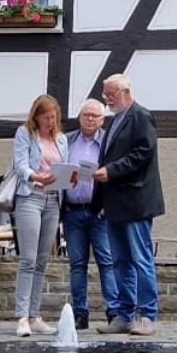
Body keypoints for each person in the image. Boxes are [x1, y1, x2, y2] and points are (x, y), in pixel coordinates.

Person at [94, 74, 165, 336]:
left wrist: (111, 170)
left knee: (140, 259)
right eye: (105, 95)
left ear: (125, 92)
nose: (107, 100)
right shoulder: (115, 121)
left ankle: (148, 315)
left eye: (110, 95)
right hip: (115, 202)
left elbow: (142, 154)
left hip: (136, 201)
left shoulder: (141, 116)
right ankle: (124, 315)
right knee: (120, 261)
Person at [11, 95, 67, 337]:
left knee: (43, 259)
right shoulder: (25, 134)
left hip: (53, 199)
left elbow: (64, 166)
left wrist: (69, 176)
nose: (50, 122)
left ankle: (35, 314)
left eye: (53, 118)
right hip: (31, 197)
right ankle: (22, 316)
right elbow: (20, 165)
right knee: (29, 259)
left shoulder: (62, 139)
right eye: (46, 118)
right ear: (36, 117)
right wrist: (35, 176)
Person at [62, 99, 118, 330]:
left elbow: (115, 173)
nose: (90, 119)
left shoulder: (108, 142)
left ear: (102, 120)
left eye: (95, 115)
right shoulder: (67, 141)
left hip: (99, 212)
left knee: (106, 261)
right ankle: (80, 313)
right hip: (72, 211)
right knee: (77, 264)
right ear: (80, 117)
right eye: (86, 115)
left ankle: (114, 311)